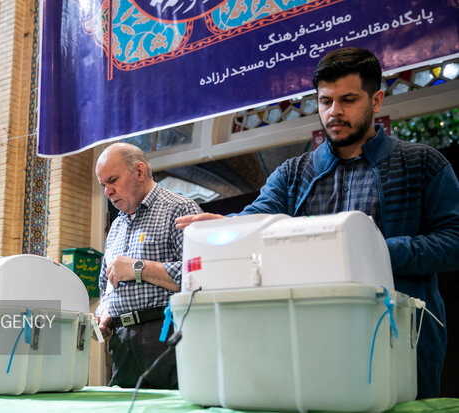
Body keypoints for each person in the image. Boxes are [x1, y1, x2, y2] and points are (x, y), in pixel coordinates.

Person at [176, 47, 459, 399]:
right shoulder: (293, 173)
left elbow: (453, 241)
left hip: (403, 336)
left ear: (377, 100)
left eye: (348, 99)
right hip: (310, 339)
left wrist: (369, 251)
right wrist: (226, 227)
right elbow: (257, 221)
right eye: (325, 101)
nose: (334, 112)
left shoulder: (422, 164)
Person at [94, 142, 202, 389]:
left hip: (165, 334)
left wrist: (138, 268)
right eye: (103, 185)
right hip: (121, 341)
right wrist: (105, 312)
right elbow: (106, 285)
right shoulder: (117, 226)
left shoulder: (179, 208)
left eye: (113, 180)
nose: (107, 192)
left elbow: (199, 275)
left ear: (140, 172)